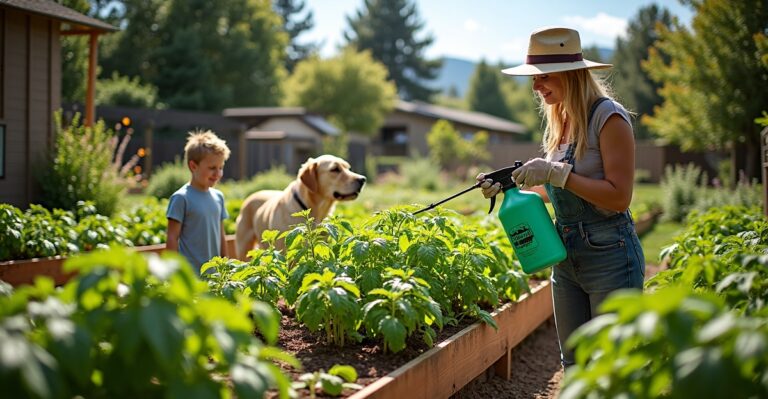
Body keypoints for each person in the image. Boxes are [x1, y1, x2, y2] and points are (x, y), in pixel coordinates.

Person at [477, 26, 645, 369]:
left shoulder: (609, 118)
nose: (536, 87)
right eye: (534, 79)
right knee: (574, 363)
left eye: (544, 77)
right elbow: (558, 191)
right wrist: (513, 188)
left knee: (613, 367)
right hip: (566, 254)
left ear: (572, 75)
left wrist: (556, 173)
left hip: (610, 253)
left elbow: (619, 197)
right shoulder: (561, 120)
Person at [166, 130, 231, 275]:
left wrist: (226, 267)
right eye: (212, 168)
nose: (218, 173)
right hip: (190, 276)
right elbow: (172, 237)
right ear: (193, 166)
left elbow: (221, 235)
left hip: (215, 276)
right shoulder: (181, 198)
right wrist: (173, 274)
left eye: (221, 168)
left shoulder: (218, 197)